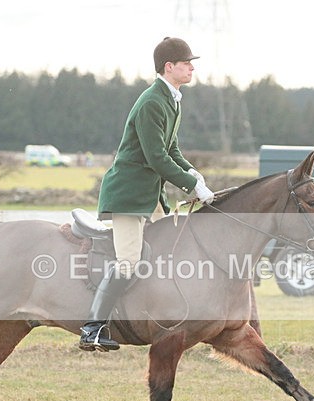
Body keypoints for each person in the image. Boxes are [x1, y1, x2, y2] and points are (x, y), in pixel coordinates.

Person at [78, 37, 215, 351]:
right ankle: (92, 329)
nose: (192, 68)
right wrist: (191, 185)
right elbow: (156, 158)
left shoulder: (172, 100)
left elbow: (172, 150)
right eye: (186, 63)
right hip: (129, 194)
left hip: (149, 194)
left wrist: (193, 173)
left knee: (168, 248)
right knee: (128, 262)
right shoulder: (153, 102)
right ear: (169, 67)